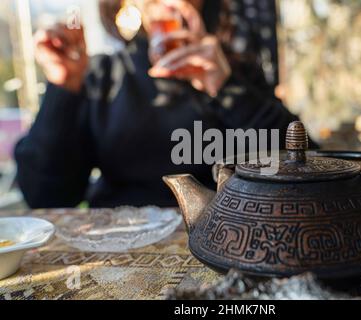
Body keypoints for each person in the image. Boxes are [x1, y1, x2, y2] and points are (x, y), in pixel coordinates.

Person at [14, 0, 303, 209]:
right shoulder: (101, 76)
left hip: (221, 239)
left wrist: (225, 86)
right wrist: (62, 88)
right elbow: (45, 197)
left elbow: (303, 166)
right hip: (121, 249)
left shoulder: (235, 73)